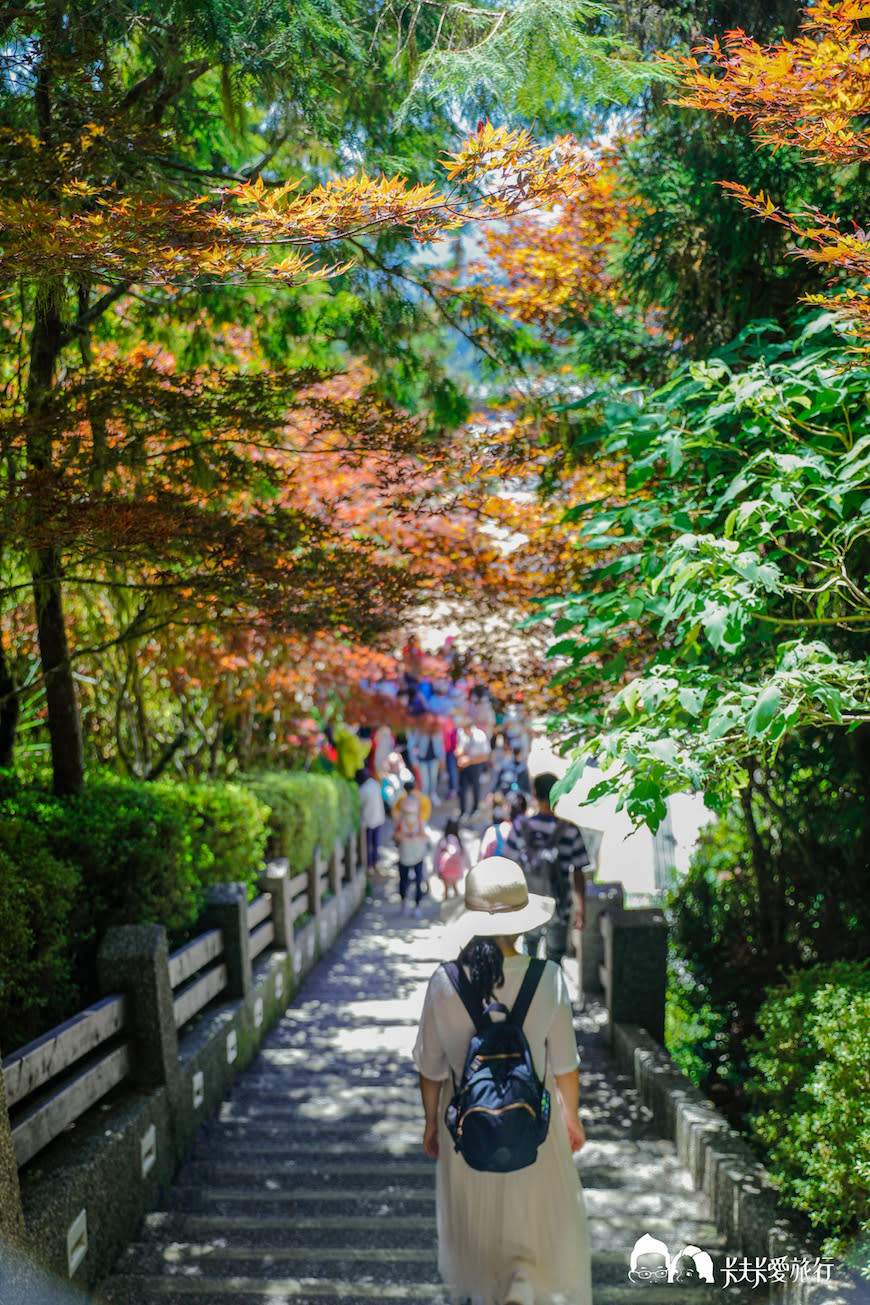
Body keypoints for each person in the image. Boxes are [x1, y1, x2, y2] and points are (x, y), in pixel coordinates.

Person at [413, 856, 591, 1305]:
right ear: (521, 923)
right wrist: (572, 1119)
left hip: (469, 1129)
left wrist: (431, 1124)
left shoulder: (444, 982)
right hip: (533, 1124)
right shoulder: (547, 978)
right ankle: (523, 1286)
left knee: (482, 1238)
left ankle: (499, 1291)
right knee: (531, 1228)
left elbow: (431, 1069)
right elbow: (565, 1065)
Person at [505, 773, 589, 964]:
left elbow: (508, 864)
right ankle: (551, 992)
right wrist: (581, 910)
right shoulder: (570, 831)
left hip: (527, 904)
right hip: (558, 908)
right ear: (558, 795)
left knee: (528, 957)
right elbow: (578, 874)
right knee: (554, 961)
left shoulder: (521, 827)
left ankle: (530, 992)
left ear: (534, 794)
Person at [392, 778, 431, 917]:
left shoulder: (403, 805)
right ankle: (413, 906)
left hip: (411, 851)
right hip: (412, 851)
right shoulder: (421, 801)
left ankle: (410, 905)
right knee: (412, 879)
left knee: (410, 879)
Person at [456, 714, 491, 819]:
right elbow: (460, 745)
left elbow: (485, 756)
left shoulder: (480, 736)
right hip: (464, 765)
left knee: (476, 788)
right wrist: (459, 753)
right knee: (462, 789)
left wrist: (469, 761)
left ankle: (475, 809)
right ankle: (463, 811)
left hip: (476, 765)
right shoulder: (462, 733)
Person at [479, 790, 526, 860]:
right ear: (525, 810)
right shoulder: (530, 831)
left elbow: (482, 860)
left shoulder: (492, 832)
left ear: (505, 808)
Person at [409, 716, 446, 803]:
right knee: (424, 782)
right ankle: (425, 800)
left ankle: (432, 794)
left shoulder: (436, 732)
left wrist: (442, 759)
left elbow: (440, 747)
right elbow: (411, 747)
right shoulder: (420, 732)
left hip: (434, 760)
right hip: (422, 761)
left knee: (433, 779)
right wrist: (414, 760)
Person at [355, 768, 386, 871]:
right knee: (376, 843)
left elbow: (358, 806)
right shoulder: (375, 784)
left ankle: (370, 865)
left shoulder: (362, 791)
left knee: (367, 844)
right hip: (379, 818)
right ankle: (376, 861)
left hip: (368, 821)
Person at [434, 817, 470, 899]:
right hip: (456, 871)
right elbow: (465, 857)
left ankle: (446, 904)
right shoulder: (459, 842)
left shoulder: (443, 841)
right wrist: (468, 867)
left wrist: (435, 870)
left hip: (444, 872)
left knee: (446, 890)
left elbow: (436, 857)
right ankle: (455, 903)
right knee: (455, 888)